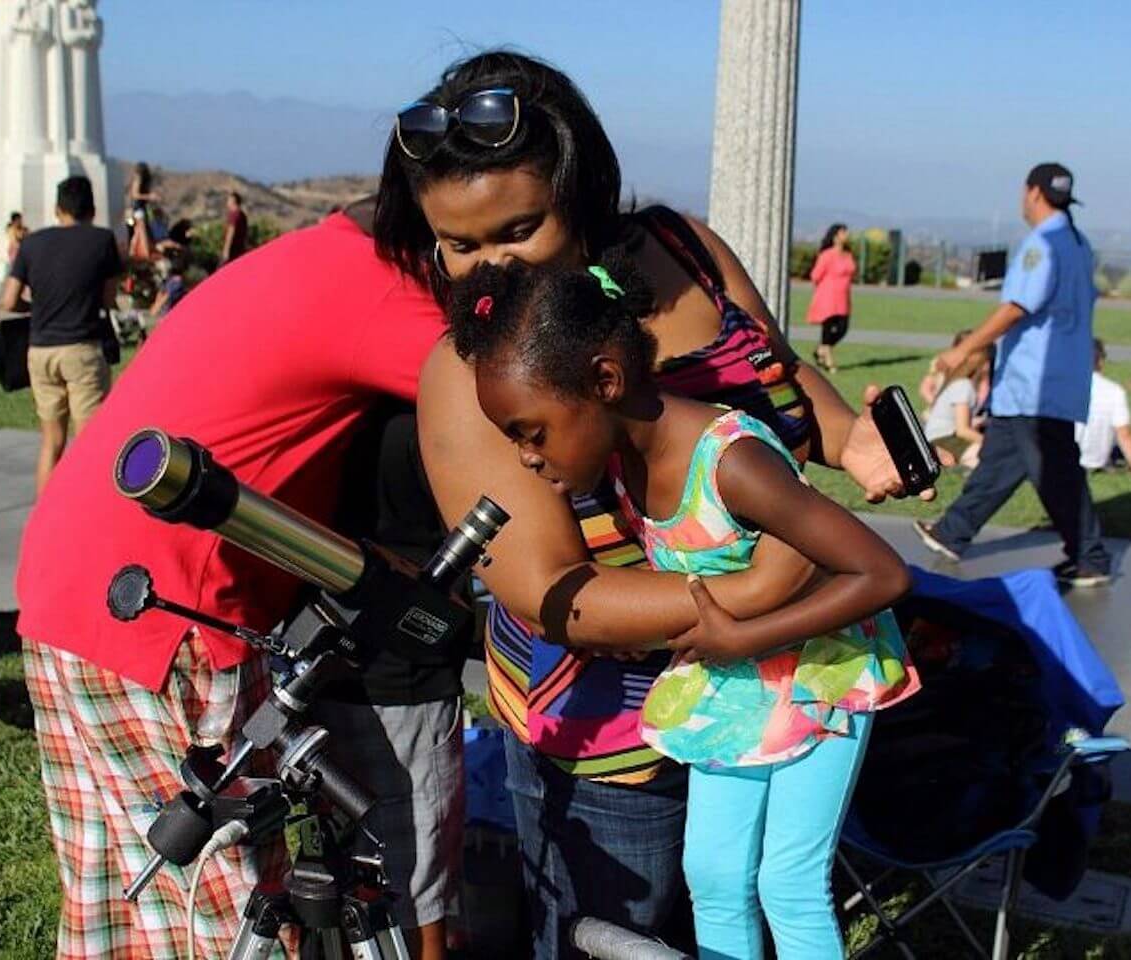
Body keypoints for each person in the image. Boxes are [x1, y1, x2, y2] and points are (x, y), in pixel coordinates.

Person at [374, 51, 945, 958]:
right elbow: (552, 591)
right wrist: (778, 575)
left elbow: (781, 381)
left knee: (758, 905)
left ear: (582, 191)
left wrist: (850, 442)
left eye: (518, 227)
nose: (488, 267)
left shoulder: (680, 252)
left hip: (780, 693)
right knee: (625, 938)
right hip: (619, 745)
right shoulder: (477, 374)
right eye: (458, 243)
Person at [15, 196, 463, 960]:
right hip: (171, 616)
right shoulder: (390, 289)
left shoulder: (297, 258)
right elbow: (520, 392)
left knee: (113, 905)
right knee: (221, 906)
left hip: (65, 587)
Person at [447, 253, 918, 958]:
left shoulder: (731, 462)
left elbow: (880, 573)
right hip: (738, 689)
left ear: (605, 380)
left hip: (822, 676)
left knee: (787, 882)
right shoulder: (625, 460)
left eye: (532, 432)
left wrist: (738, 638)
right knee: (716, 876)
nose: (525, 457)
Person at [913, 162, 1111, 587]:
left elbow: (1017, 306)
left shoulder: (1043, 244)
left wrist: (964, 349)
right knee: (1001, 459)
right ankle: (952, 532)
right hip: (1057, 379)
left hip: (1034, 381)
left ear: (1033, 193)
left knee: (1056, 473)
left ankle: (1090, 556)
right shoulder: (1079, 244)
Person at [1, 176, 122, 496]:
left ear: (58, 209)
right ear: (92, 210)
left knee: (51, 442)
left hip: (40, 350)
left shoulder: (31, 243)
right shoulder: (101, 240)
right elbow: (109, 300)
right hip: (81, 348)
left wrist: (38, 305)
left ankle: (44, 515)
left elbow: (8, 300)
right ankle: (83, 514)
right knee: (88, 444)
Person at [1077, 339, 1131, 481]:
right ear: (1100, 361)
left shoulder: (1060, 387)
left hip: (1061, 459)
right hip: (1095, 459)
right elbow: (1125, 435)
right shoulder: (1114, 391)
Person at [923, 344, 992, 470]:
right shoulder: (964, 387)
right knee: (990, 455)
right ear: (983, 364)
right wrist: (990, 443)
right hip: (941, 439)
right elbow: (963, 430)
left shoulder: (962, 383)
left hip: (947, 435)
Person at [806, 223, 856, 372]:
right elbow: (815, 275)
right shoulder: (827, 255)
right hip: (828, 296)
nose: (846, 236)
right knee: (828, 328)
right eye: (843, 233)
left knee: (842, 328)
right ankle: (829, 361)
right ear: (835, 236)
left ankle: (821, 350)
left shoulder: (848, 254)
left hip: (843, 297)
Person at [127, 162, 159, 261]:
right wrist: (149, 196)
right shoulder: (138, 179)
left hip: (139, 208)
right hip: (138, 209)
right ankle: (145, 254)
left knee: (138, 233)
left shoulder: (138, 179)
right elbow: (135, 194)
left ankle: (132, 253)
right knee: (141, 232)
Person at [221, 191, 249, 265]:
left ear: (233, 201)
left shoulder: (234, 215)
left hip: (232, 251)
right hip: (240, 251)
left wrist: (226, 251)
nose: (227, 202)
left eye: (228, 200)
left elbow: (231, 231)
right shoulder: (242, 215)